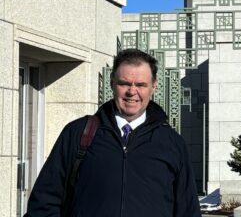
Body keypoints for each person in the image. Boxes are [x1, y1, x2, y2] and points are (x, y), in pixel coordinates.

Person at [25, 49, 201, 217]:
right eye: (124, 83)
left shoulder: (172, 143)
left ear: (154, 86)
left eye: (141, 85)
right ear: (111, 83)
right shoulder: (78, 133)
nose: (132, 92)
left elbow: (188, 210)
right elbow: (44, 203)